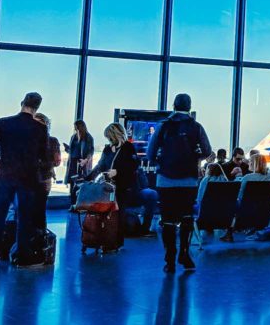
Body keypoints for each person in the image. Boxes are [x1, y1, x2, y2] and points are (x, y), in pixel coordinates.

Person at [0, 92, 50, 268]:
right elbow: (45, 157)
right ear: (37, 107)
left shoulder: (2, 123)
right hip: (28, 178)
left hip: (3, 176)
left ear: (22, 102)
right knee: (25, 219)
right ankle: (23, 257)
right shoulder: (40, 129)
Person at [146, 94, 212, 272]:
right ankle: (184, 253)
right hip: (189, 181)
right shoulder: (196, 127)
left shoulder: (164, 126)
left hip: (165, 180)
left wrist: (161, 162)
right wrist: (194, 157)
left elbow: (150, 153)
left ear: (174, 105)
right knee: (186, 218)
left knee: (167, 220)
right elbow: (207, 150)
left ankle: (169, 259)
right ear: (190, 106)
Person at [84, 123, 148, 240]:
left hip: (124, 187)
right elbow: (100, 165)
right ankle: (107, 236)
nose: (109, 140)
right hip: (109, 186)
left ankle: (116, 240)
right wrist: (88, 178)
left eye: (110, 137)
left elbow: (133, 166)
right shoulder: (107, 149)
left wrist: (118, 172)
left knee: (119, 213)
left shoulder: (128, 148)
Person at [64, 119, 95, 205]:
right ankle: (73, 204)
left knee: (81, 183)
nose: (75, 129)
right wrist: (67, 149)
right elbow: (72, 150)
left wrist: (86, 160)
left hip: (82, 163)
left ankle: (80, 204)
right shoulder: (73, 137)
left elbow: (91, 151)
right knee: (72, 184)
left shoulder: (88, 137)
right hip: (73, 163)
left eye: (77, 128)